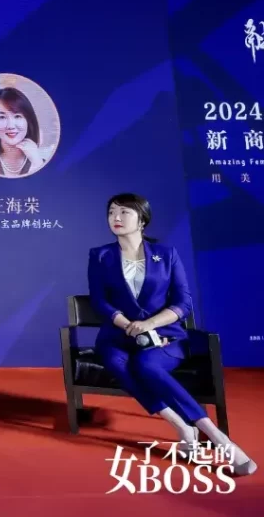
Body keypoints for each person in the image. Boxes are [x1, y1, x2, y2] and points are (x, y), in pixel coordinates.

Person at [88, 193, 256, 476]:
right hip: (117, 336)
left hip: (165, 335)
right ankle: (181, 426)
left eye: (125, 212)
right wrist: (127, 324)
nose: (116, 217)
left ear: (142, 220)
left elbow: (183, 302)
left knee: (146, 364)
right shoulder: (100, 255)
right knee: (116, 361)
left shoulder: (166, 254)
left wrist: (150, 324)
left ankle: (218, 438)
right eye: (111, 212)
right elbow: (99, 301)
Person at [0, 87, 52, 177]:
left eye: (17, 116)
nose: (10, 126)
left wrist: (36, 163)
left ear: (28, 121)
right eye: (2, 117)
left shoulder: (41, 163)